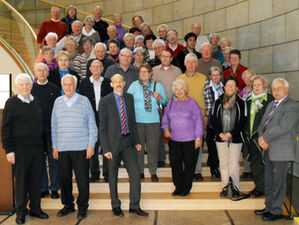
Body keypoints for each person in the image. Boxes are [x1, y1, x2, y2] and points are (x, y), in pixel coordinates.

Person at [99, 74, 148, 217]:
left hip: (128, 143)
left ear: (124, 83)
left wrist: (137, 141)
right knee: (112, 176)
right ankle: (115, 205)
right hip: (112, 145)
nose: (119, 84)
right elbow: (102, 128)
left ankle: (134, 205)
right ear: (111, 84)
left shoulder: (129, 98)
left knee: (135, 174)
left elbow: (132, 121)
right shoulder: (104, 102)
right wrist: (105, 148)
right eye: (116, 82)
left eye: (121, 81)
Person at [2, 73, 49, 224]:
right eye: (21, 85)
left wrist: (45, 147)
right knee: (21, 183)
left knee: (36, 181)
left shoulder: (36, 102)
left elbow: (43, 127)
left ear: (31, 85)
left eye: (27, 84)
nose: (25, 87)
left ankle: (35, 209)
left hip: (37, 149)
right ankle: (21, 212)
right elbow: (5, 129)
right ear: (17, 87)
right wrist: (9, 150)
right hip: (19, 150)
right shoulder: (11, 103)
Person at [51, 75, 98, 220]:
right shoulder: (58, 102)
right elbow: (54, 125)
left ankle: (83, 207)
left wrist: (91, 144)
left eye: (70, 84)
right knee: (64, 180)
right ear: (62, 86)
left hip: (81, 148)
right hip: (63, 149)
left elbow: (92, 124)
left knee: (82, 180)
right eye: (65, 84)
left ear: (75, 85)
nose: (68, 87)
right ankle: (68, 205)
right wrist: (54, 146)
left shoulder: (84, 101)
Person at [255, 78, 299, 222]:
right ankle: (268, 207)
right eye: (273, 89)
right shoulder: (271, 105)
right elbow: (262, 124)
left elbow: (283, 127)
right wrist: (261, 137)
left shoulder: (292, 105)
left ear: (287, 90)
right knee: (269, 181)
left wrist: (264, 138)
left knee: (278, 182)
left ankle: (276, 210)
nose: (276, 91)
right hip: (268, 149)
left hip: (281, 151)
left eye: (279, 88)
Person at [162, 79, 203, 196]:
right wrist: (165, 129)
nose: (179, 91)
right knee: (175, 165)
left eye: (181, 89)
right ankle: (178, 187)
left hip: (190, 140)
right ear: (174, 91)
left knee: (189, 165)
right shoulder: (170, 103)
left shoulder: (192, 103)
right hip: (174, 140)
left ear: (185, 90)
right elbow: (165, 120)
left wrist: (198, 137)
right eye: (176, 89)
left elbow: (199, 121)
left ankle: (186, 187)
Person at [128, 63, 167, 181]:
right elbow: (128, 101)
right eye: (141, 72)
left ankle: (153, 171)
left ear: (150, 74)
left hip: (153, 121)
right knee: (138, 148)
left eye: (145, 72)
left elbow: (165, 102)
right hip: (138, 121)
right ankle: (139, 171)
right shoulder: (134, 86)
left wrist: (160, 98)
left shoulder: (158, 86)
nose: (143, 74)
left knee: (152, 148)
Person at [212, 77, 247, 198]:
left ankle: (235, 188)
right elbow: (214, 119)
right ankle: (225, 186)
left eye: (233, 85)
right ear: (224, 87)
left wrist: (231, 133)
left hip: (235, 138)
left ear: (237, 88)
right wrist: (220, 133)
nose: (230, 87)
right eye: (228, 85)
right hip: (220, 138)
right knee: (223, 163)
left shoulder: (241, 102)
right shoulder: (218, 101)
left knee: (233, 164)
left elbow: (242, 121)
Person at [79, 60, 113, 183]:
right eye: (93, 67)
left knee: (106, 145)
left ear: (102, 68)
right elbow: (81, 100)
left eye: (98, 66)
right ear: (90, 69)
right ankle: (94, 172)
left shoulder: (108, 82)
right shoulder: (84, 83)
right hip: (90, 118)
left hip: (105, 117)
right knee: (92, 145)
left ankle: (107, 173)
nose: (96, 69)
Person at [31, 63, 60, 199]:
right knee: (40, 161)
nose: (42, 73)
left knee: (53, 160)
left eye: (44, 70)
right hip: (36, 131)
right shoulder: (31, 89)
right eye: (39, 70)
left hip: (52, 130)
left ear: (48, 73)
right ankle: (43, 188)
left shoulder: (54, 88)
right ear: (35, 73)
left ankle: (54, 188)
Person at [242, 75, 273, 197]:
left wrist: (266, 137)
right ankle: (259, 187)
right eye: (254, 85)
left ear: (264, 85)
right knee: (255, 164)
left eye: (259, 85)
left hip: (264, 138)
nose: (257, 87)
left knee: (266, 164)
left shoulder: (270, 100)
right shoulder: (249, 100)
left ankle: (269, 189)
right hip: (251, 138)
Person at [177, 53, 206, 181]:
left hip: (199, 116)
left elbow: (208, 98)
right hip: (183, 118)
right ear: (184, 64)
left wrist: (206, 114)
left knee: (197, 143)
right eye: (188, 62)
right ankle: (186, 169)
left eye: (193, 62)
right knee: (184, 145)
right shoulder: (180, 79)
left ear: (197, 64)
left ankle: (197, 170)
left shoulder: (204, 78)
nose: (191, 65)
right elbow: (176, 98)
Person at [204, 66, 224, 178]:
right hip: (212, 118)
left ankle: (215, 163)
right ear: (210, 76)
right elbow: (209, 105)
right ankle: (213, 168)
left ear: (220, 76)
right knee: (211, 144)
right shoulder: (207, 87)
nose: (216, 77)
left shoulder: (224, 87)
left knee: (219, 145)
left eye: (218, 75)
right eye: (214, 75)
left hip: (223, 120)